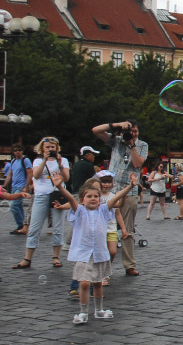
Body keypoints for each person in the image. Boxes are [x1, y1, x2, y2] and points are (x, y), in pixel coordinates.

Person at [54, 173, 135, 324]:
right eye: (89, 196)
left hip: (99, 253)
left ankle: (99, 310)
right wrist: (59, 186)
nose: (93, 199)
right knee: (84, 283)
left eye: (95, 196)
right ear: (82, 200)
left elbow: (116, 198)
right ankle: (83, 311)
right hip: (84, 254)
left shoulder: (103, 211)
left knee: (97, 283)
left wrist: (131, 186)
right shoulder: (79, 211)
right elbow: (71, 199)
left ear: (99, 200)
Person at [92, 120, 147, 276]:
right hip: (109, 191)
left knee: (127, 230)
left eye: (135, 131)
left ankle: (129, 265)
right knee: (103, 228)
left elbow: (137, 164)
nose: (133, 134)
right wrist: (116, 125)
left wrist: (132, 146)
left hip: (129, 191)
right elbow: (96, 130)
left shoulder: (142, 145)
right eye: (131, 131)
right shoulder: (116, 141)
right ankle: (102, 263)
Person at [13, 137, 71, 270]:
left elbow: (66, 178)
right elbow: (36, 175)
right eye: (47, 147)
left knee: (57, 227)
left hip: (58, 194)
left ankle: (56, 257)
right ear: (42, 149)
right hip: (41, 195)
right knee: (34, 227)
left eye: (53, 147)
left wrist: (60, 163)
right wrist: (45, 160)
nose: (50, 149)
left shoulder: (63, 161)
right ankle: (27, 258)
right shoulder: (37, 161)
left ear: (56, 148)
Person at [3, 144, 32, 234]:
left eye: (19, 150)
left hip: (21, 186)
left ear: (22, 151)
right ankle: (24, 226)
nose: (17, 152)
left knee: (13, 205)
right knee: (18, 206)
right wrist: (4, 186)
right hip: (14, 186)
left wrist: (26, 186)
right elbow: (10, 174)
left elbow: (30, 173)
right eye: (15, 150)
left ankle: (21, 225)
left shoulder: (25, 160)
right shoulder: (13, 161)